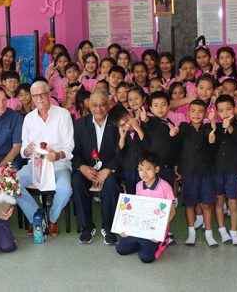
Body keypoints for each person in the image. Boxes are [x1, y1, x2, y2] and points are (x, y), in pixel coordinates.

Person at [17, 81, 74, 236]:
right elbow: (23, 150)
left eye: (43, 94)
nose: (39, 98)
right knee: (12, 184)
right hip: (35, 165)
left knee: (65, 189)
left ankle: (53, 219)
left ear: (49, 95)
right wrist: (27, 150)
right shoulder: (29, 118)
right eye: (35, 95)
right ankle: (36, 217)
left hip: (59, 165)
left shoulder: (63, 114)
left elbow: (69, 146)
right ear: (31, 98)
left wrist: (58, 155)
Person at [72, 90, 121, 245]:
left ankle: (109, 228)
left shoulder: (117, 124)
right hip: (88, 168)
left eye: (102, 105)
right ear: (88, 105)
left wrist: (108, 169)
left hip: (109, 169)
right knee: (76, 182)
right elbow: (75, 152)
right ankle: (87, 226)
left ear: (109, 105)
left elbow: (122, 152)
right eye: (94, 105)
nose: (98, 109)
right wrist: (82, 167)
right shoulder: (80, 124)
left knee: (111, 185)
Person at [116, 152, 176, 263]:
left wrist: (160, 231)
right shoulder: (139, 186)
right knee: (121, 248)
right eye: (140, 169)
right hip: (141, 227)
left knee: (146, 258)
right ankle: (143, 243)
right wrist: (126, 228)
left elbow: (172, 211)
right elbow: (135, 209)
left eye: (148, 169)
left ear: (156, 169)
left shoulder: (165, 187)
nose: (144, 173)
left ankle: (163, 241)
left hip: (156, 229)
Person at [173, 99, 217, 247]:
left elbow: (211, 136)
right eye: (193, 111)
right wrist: (174, 132)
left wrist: (212, 129)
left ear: (205, 114)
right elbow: (177, 137)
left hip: (206, 172)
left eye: (200, 112)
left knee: (207, 205)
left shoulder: (207, 128)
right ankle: (191, 233)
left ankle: (209, 233)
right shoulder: (184, 127)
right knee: (190, 204)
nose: (196, 114)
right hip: (188, 172)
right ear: (188, 112)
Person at [211, 95, 237, 246]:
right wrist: (213, 127)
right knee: (219, 200)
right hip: (217, 170)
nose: (225, 113)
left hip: (233, 170)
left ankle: (234, 232)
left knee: (233, 202)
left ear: (235, 109)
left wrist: (230, 128)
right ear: (216, 112)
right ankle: (222, 230)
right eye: (221, 110)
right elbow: (210, 147)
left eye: (228, 109)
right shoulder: (215, 127)